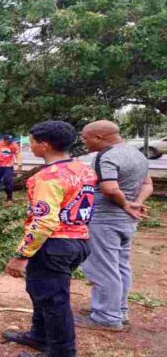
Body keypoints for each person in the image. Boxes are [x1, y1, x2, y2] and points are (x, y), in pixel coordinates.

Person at [3, 121, 96, 357]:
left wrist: (21, 255)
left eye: (32, 141)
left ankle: (61, 352)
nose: (30, 146)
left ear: (44, 145)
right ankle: (39, 336)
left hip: (54, 244)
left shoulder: (48, 178)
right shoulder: (83, 169)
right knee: (42, 292)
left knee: (55, 303)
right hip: (79, 240)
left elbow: (44, 221)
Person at [76, 120, 153, 331]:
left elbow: (109, 189)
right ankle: (118, 309)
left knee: (103, 267)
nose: (84, 141)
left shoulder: (106, 156)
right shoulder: (137, 154)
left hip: (105, 220)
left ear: (99, 137)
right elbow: (148, 184)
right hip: (127, 221)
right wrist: (136, 203)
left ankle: (106, 317)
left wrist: (126, 203)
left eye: (85, 137)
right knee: (120, 266)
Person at [0, 134, 23, 201]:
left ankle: (9, 197)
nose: (10, 142)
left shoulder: (14, 145)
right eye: (8, 141)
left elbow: (18, 154)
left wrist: (19, 163)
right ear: (3, 140)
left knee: (8, 182)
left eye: (11, 141)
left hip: (8, 166)